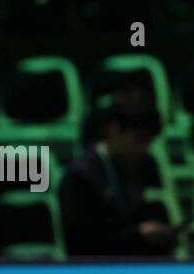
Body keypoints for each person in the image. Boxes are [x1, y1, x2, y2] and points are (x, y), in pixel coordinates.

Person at [60, 88, 178, 256]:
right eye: (139, 139)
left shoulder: (135, 167)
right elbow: (82, 245)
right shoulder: (80, 177)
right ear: (114, 129)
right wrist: (138, 234)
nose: (144, 149)